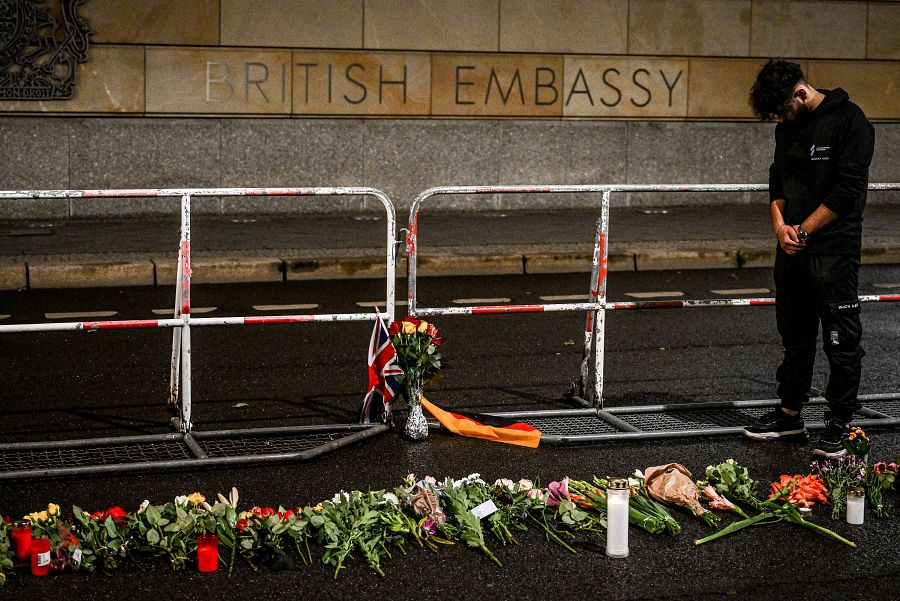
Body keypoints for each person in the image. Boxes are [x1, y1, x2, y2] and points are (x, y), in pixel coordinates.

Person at [742, 59, 875, 458]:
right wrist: (781, 227)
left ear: (801, 93)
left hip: (833, 251)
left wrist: (803, 231)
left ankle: (839, 423)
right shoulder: (787, 129)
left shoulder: (851, 122)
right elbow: (776, 180)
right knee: (795, 337)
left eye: (783, 110)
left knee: (841, 340)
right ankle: (789, 415)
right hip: (792, 250)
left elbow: (847, 191)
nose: (781, 120)